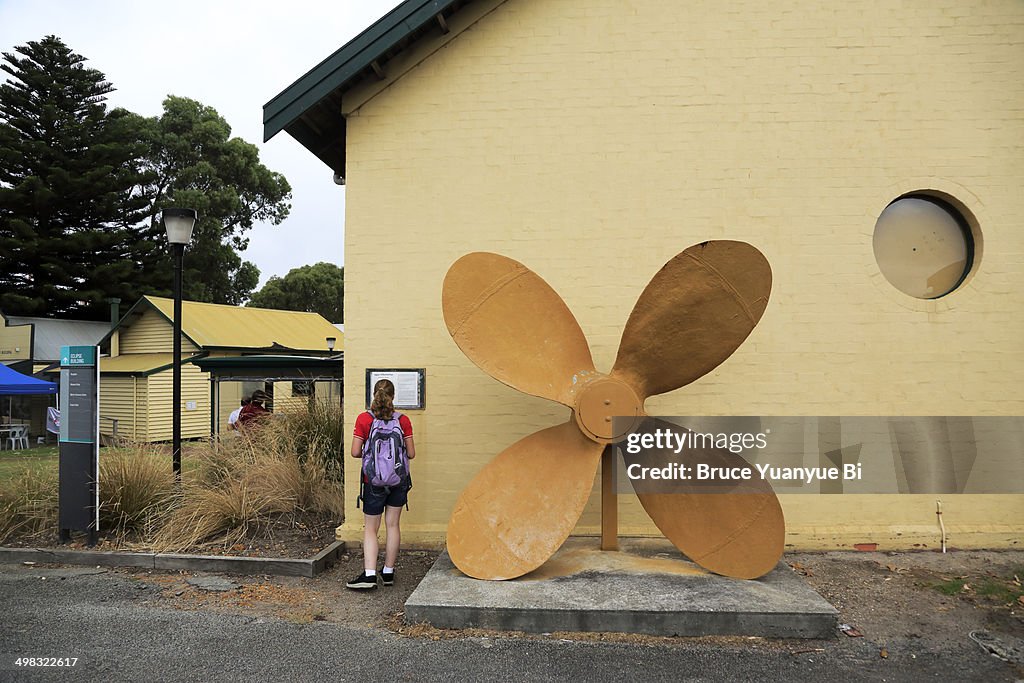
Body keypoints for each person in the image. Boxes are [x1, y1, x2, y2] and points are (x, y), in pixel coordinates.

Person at [346, 379, 415, 590]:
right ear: (393, 396)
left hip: (373, 481)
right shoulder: (403, 420)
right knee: (393, 525)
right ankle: (388, 572)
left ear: (373, 394)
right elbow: (411, 453)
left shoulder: (364, 419)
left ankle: (369, 575)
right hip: (398, 481)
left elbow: (355, 452)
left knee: (371, 529)